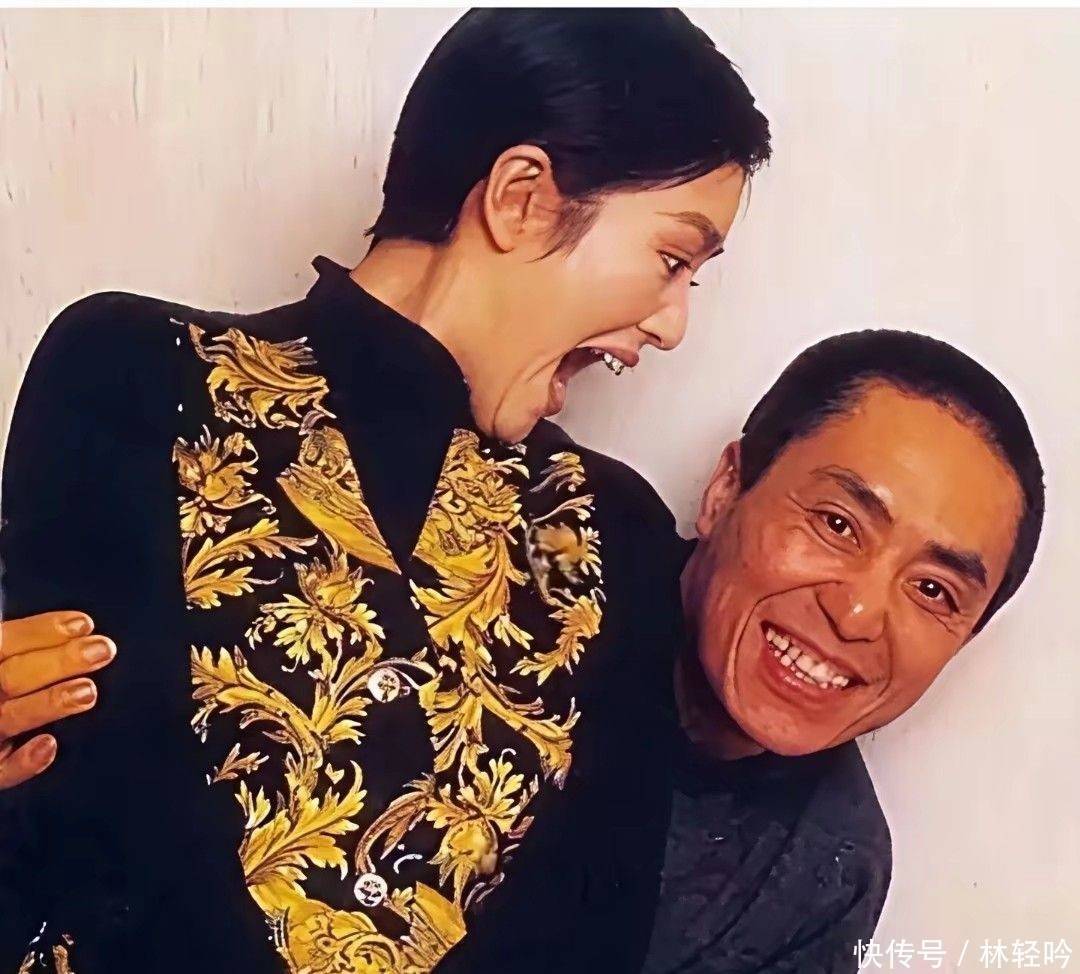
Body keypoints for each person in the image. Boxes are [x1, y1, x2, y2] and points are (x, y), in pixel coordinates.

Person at [0, 9, 769, 974]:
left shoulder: (612, 531)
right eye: (672, 260)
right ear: (522, 199)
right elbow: (96, 813)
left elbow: (587, 934)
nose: (672, 325)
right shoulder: (134, 373)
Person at [642, 330, 1043, 972]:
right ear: (726, 491)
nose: (858, 616)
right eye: (837, 525)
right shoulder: (550, 558)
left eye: (933, 590)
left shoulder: (829, 864)